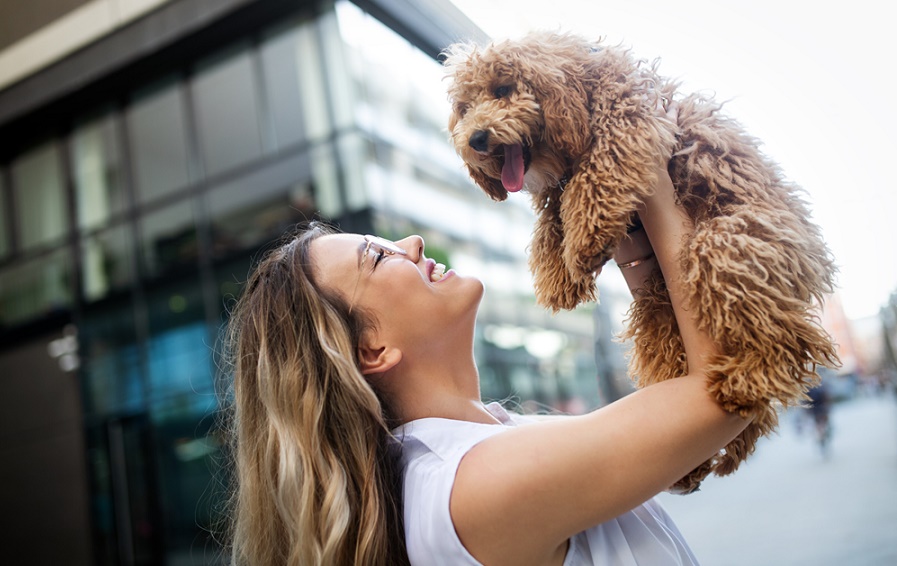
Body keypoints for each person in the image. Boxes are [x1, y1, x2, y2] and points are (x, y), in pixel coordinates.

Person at [224, 153, 751, 564]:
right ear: (371, 349)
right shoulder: (473, 486)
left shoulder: (480, 449)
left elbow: (688, 390)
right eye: (378, 256)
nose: (410, 242)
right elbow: (728, 388)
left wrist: (630, 237)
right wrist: (640, 163)